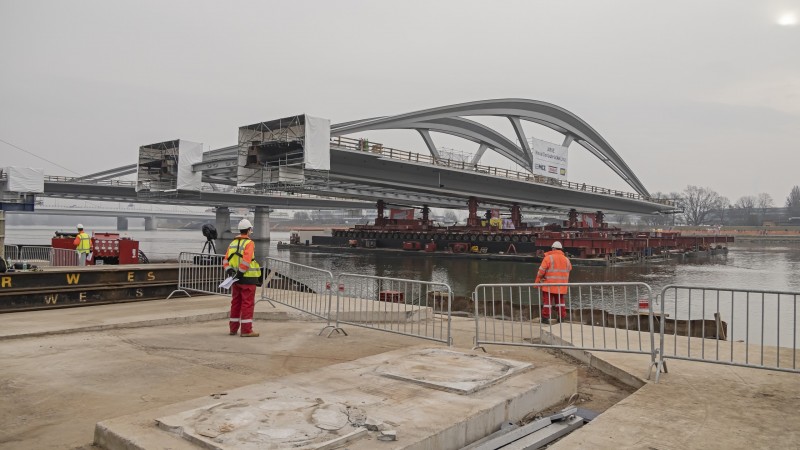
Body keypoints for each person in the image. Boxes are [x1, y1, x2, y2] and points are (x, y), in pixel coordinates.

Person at [223, 219, 262, 337]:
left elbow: (225, 260)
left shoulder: (232, 243)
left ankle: (233, 329)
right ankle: (246, 330)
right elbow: (247, 260)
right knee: (247, 304)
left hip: (235, 279)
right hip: (248, 279)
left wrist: (230, 271)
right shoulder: (249, 243)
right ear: (249, 230)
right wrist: (241, 272)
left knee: (235, 303)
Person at [535, 241, 573, 322]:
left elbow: (541, 271)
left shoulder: (548, 258)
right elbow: (569, 269)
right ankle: (561, 318)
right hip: (561, 286)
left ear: (553, 248)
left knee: (547, 303)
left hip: (549, 285)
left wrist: (538, 280)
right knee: (560, 303)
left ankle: (545, 318)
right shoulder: (566, 259)